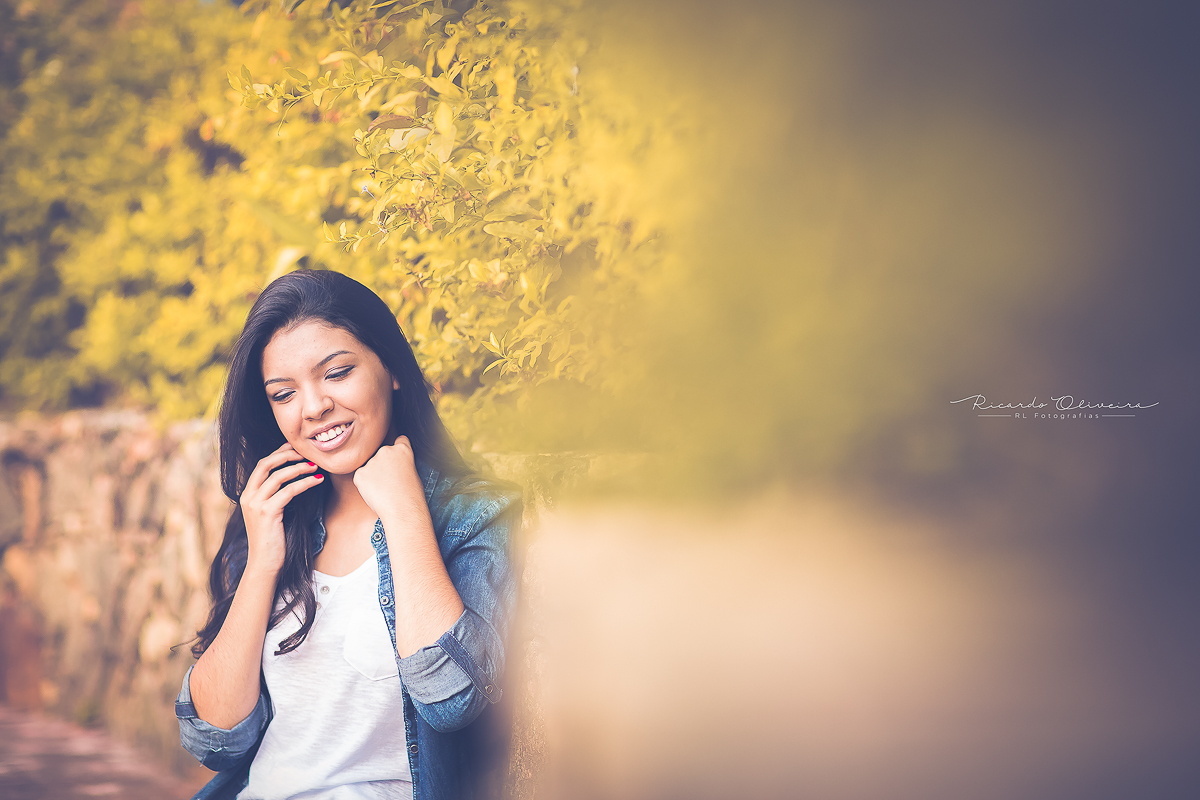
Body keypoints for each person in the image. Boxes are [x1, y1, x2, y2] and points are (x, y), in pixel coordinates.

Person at [175, 269, 522, 800]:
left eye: (336, 373)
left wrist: (405, 513)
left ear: (392, 368)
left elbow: (452, 700)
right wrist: (263, 562)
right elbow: (214, 740)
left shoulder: (467, 517)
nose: (313, 407)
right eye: (284, 394)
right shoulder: (273, 520)